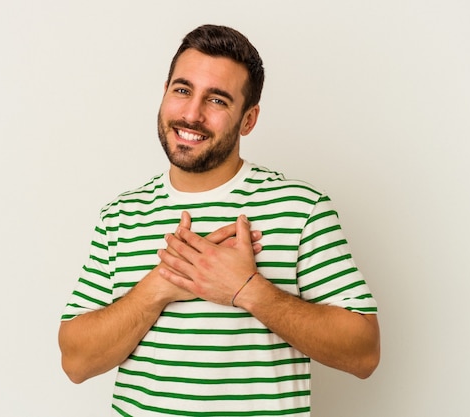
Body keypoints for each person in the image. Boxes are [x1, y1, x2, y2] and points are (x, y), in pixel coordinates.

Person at [59, 24, 380, 416]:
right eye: (182, 90)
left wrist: (247, 289)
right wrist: (161, 284)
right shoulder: (121, 215)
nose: (191, 114)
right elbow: (76, 362)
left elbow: (364, 353)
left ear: (248, 119)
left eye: (217, 100)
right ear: (164, 93)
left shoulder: (302, 207)